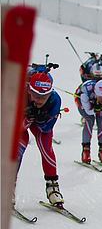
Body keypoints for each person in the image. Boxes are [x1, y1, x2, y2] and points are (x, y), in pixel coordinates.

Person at [17, 67, 64, 205]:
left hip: (40, 125)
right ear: (29, 91)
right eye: (36, 96)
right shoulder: (20, 95)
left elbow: (46, 129)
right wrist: (29, 117)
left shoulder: (54, 100)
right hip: (21, 123)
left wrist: (42, 119)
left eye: (44, 97)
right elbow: (18, 128)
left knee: (46, 147)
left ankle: (53, 188)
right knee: (19, 148)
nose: (40, 100)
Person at [77, 78, 102, 165]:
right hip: (81, 98)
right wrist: (95, 109)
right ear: (95, 92)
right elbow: (88, 111)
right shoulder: (86, 91)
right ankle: (85, 151)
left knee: (101, 121)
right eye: (100, 96)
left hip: (93, 101)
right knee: (90, 119)